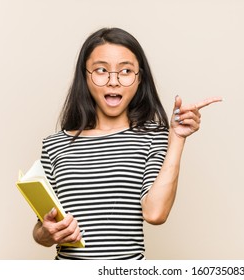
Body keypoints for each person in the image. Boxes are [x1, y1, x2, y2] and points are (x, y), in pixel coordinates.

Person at [32, 27, 222, 260]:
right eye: (101, 70)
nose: (113, 81)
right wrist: (48, 233)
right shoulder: (55, 145)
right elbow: (41, 230)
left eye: (125, 71)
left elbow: (155, 213)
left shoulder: (153, 137)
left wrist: (177, 138)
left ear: (139, 78)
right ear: (85, 76)